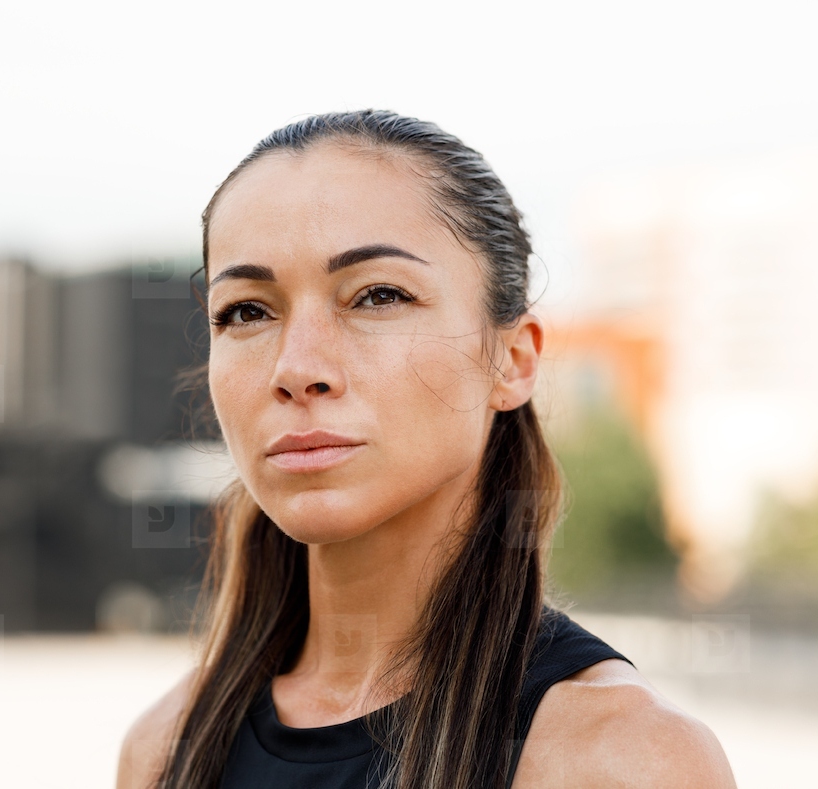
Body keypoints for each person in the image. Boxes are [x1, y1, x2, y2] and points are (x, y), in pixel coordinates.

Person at [116, 110, 736, 789]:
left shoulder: (620, 759)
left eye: (377, 295)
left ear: (512, 359)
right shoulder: (165, 749)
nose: (295, 367)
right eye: (247, 311)